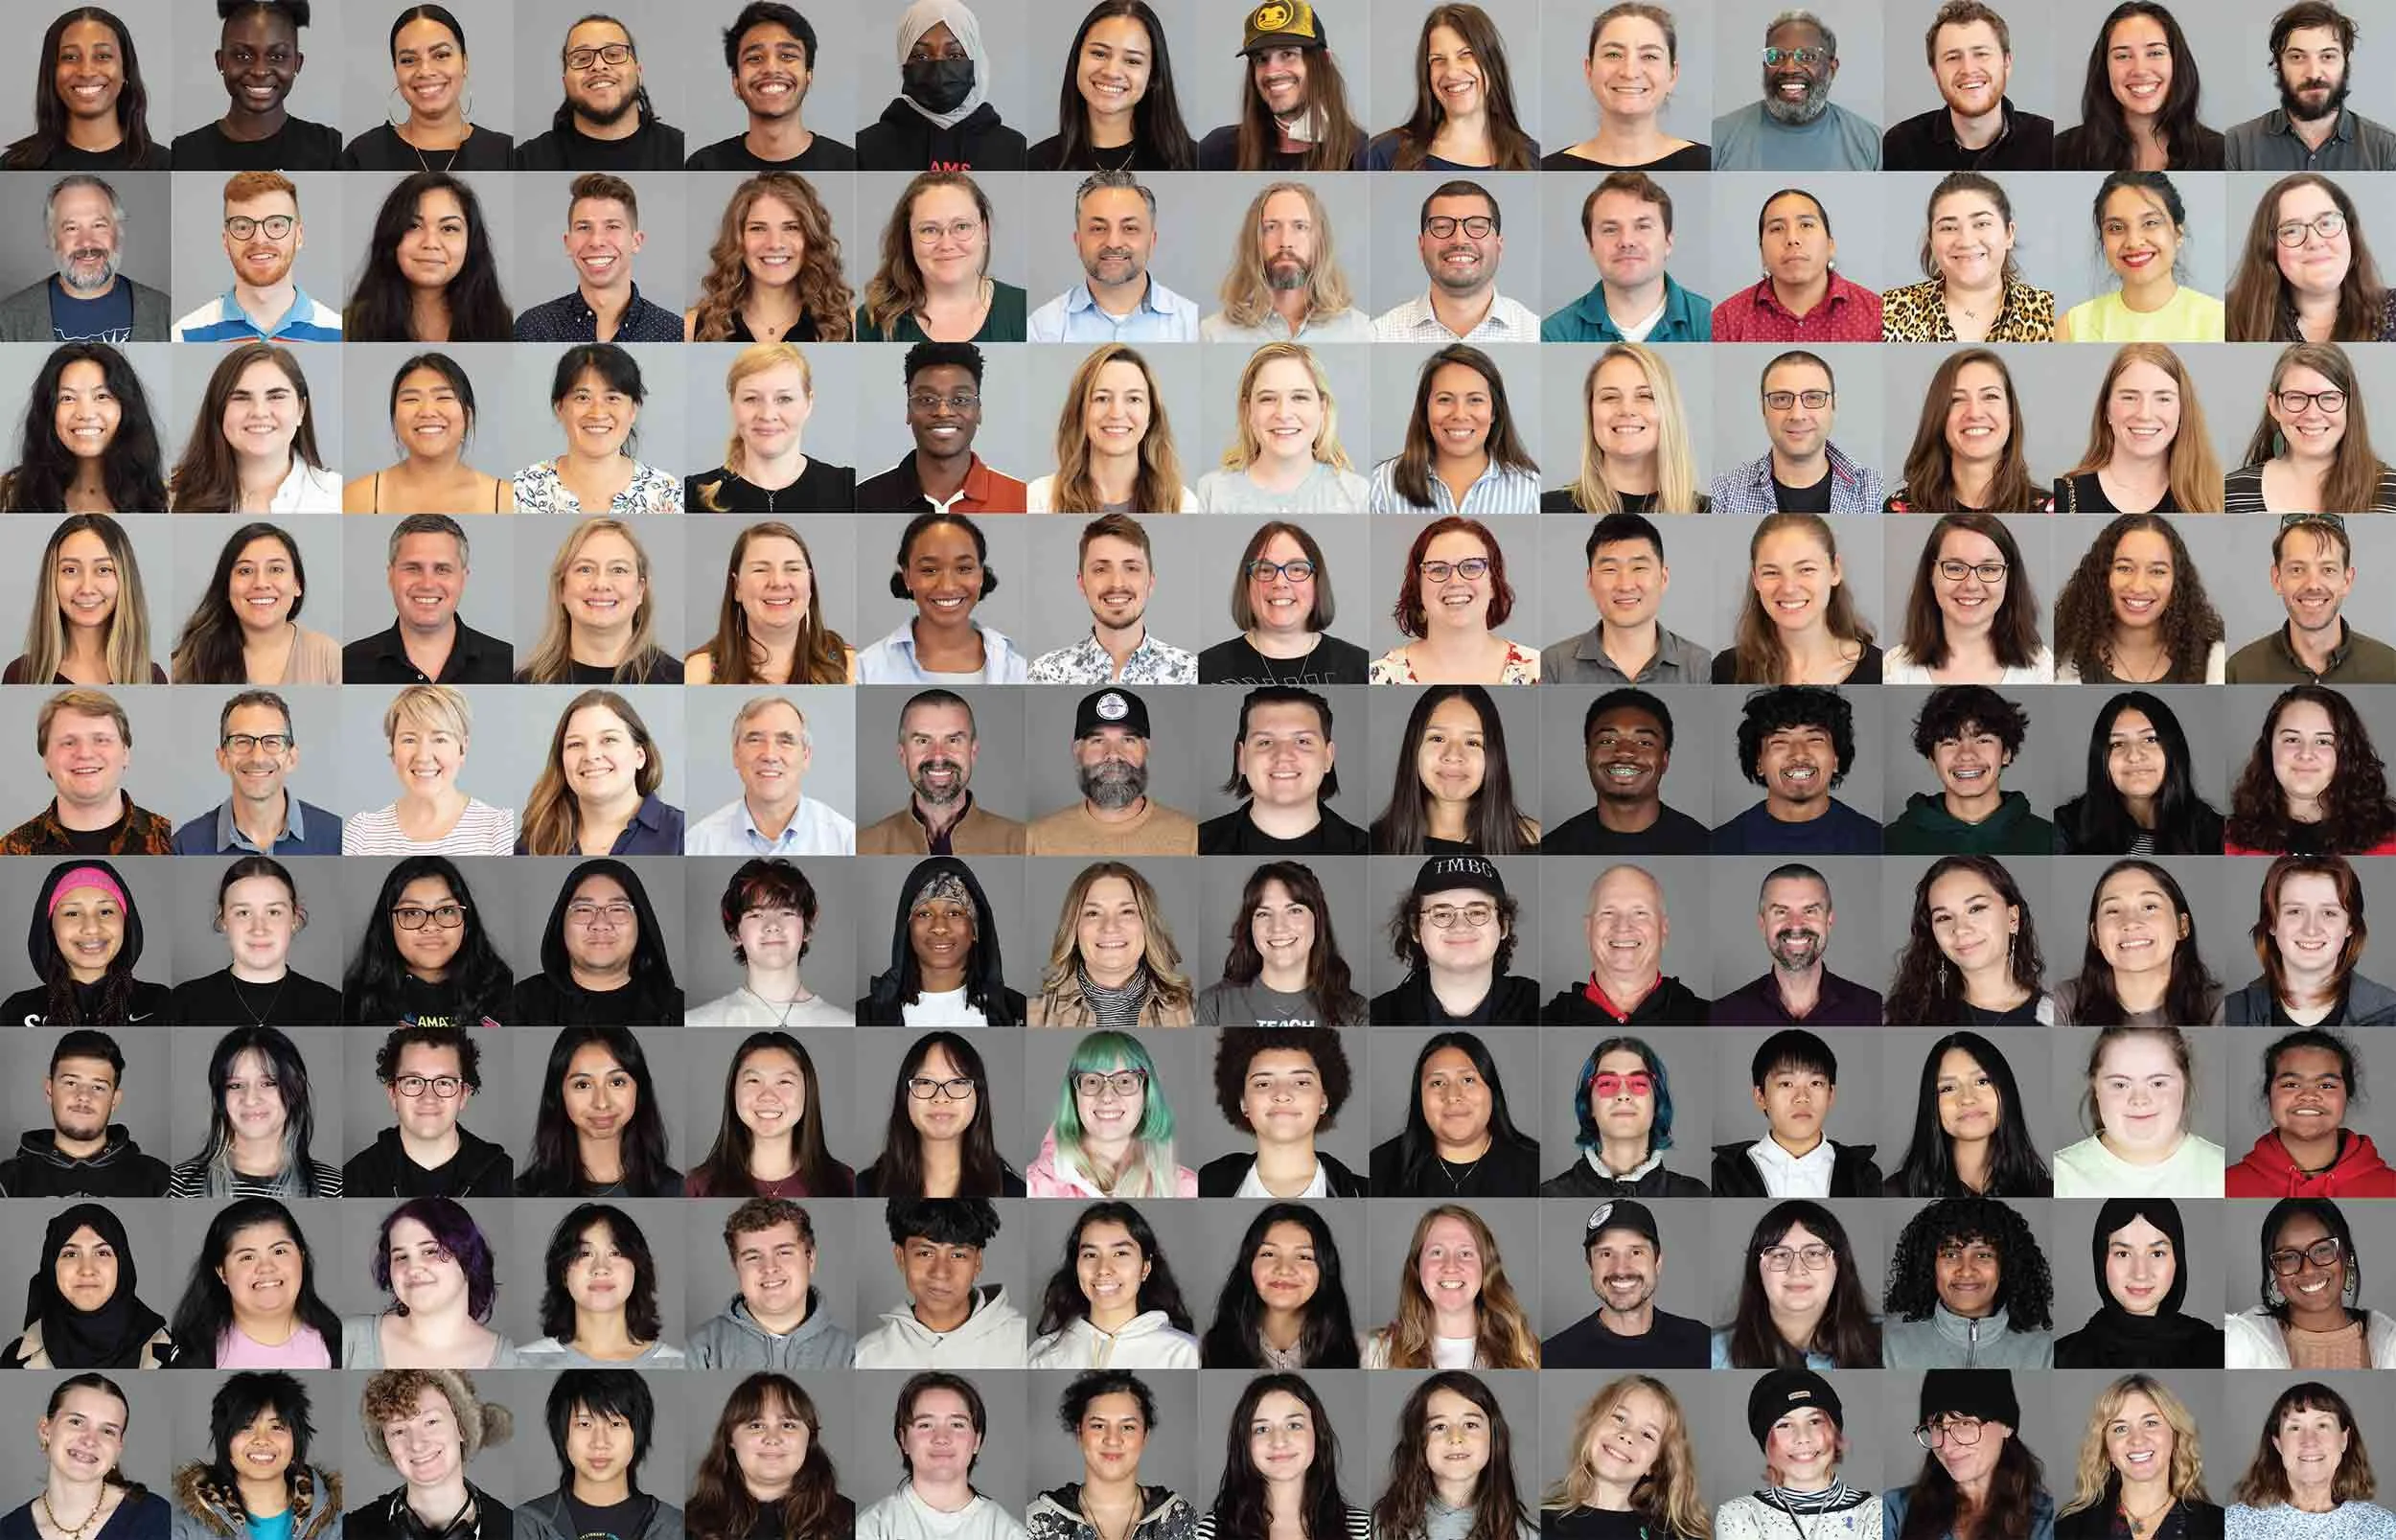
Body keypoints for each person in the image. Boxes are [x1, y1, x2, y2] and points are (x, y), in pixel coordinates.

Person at [160, 1197, 338, 1369]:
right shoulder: (187, 1355)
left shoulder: (339, 1343)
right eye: (247, 1257)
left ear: (301, 1257)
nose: (266, 1267)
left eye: (279, 1251)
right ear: (222, 1272)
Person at [339, 1199, 518, 1369]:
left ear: (468, 1257)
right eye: (401, 1257)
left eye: (430, 1251)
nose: (413, 1268)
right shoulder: (346, 1339)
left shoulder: (510, 1360)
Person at [340, 857, 514, 1030]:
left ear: (466, 921)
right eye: (412, 913)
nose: (430, 926)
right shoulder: (354, 1005)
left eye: (446, 910)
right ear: (387, 924)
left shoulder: (507, 994)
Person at [1367, 855, 1542, 1027]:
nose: (1460, 926)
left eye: (1477, 912)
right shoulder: (1377, 1016)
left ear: (1503, 925)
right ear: (1415, 928)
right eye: (1442, 914)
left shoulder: (1538, 1005)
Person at [341, 1024, 514, 1199]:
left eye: (444, 1082)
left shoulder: (504, 1174)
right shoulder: (353, 1178)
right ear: (393, 1093)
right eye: (414, 1081)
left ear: (463, 1095)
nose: (429, 1097)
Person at [165, 1026, 337, 1200]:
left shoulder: (334, 1189)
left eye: (268, 1083)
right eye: (235, 1085)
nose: (250, 1099)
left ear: (296, 1088)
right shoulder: (181, 1186)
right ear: (220, 1097)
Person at [339, 685, 514, 857]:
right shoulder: (362, 835)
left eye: (439, 739)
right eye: (409, 740)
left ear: (463, 747)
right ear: (392, 748)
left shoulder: (499, 831)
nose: (423, 756)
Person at [1358, 4, 1537, 171]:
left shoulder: (1532, 159)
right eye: (1438, 59)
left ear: (1492, 63)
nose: (1452, 72)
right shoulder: (1381, 155)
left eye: (1466, 54)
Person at [2053, 513, 2227, 683]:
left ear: (2177, 581)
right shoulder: (2059, 661)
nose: (2138, 587)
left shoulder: (2214, 662)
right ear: (2102, 575)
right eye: (2124, 568)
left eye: (2157, 571)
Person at [1359, 1206, 1538, 1370]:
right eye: (1437, 1252)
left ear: (1486, 1267)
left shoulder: (1527, 1355)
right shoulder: (1372, 1354)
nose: (1451, 1266)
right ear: (1417, 1266)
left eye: (1465, 1253)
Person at [1881, 1198, 2055, 1368]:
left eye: (1983, 1255)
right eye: (1950, 1254)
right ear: (1930, 1265)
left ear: (2005, 1266)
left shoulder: (2045, 1353)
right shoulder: (1888, 1345)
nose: (1965, 1271)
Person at [856, 513, 1029, 684]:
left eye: (963, 569)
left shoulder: (1016, 669)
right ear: (907, 577)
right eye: (929, 570)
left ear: (981, 575)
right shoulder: (866, 670)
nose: (947, 587)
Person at [340, 171, 512, 343]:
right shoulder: (347, 327)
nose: (430, 243)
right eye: (413, 226)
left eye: (448, 228)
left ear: (471, 241)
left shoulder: (506, 326)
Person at [1710, 513, 1883, 683]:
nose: (1789, 588)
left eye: (1806, 569)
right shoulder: (1723, 671)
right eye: (1771, 572)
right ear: (1755, 578)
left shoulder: (1880, 672)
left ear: (1835, 571)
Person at [1025, 688, 1199, 857]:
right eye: (1098, 741)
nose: (1114, 754)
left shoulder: (1193, 837)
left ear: (1146, 749)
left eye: (1128, 740)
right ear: (1077, 751)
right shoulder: (1036, 839)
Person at [2052, 1027, 2227, 1195]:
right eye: (2120, 1085)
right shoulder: (2060, 1177)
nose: (2139, 1100)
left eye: (2158, 1083)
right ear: (2095, 1087)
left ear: (2185, 1082)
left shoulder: (2221, 1171)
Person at [683, 173, 855, 346]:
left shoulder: (852, 327)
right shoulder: (691, 329)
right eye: (758, 228)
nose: (775, 244)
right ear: (737, 239)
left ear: (811, 237)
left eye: (791, 228)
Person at [857, 172, 1027, 343]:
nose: (946, 245)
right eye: (929, 229)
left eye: (962, 226)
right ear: (908, 238)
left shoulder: (1023, 311)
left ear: (984, 232)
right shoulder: (872, 322)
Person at [2053, 1197, 2224, 1368]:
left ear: (2177, 1259)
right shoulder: (2062, 1357)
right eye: (2122, 1254)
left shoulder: (2218, 1351)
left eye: (2157, 1253)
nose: (2140, 1274)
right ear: (2101, 1260)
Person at [169, 856, 340, 1026]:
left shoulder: (334, 1007)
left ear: (294, 919)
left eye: (273, 912)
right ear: (223, 919)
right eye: (243, 913)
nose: (259, 929)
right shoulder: (182, 1003)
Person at [168, 1371, 341, 1540]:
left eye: (276, 1427)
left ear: (296, 1439)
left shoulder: (336, 1526)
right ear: (225, 1440)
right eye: (246, 1427)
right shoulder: (185, 1527)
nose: (262, 1440)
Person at [857, 0, 1028, 171]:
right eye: (921, 56)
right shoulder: (867, 149)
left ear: (975, 61)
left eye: (954, 55)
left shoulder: (1013, 150)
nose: (939, 71)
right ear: (903, 62)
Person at [2226, 1197, 2396, 1368]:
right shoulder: (2237, 1344)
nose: (2307, 1269)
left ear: (2347, 1257)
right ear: (2274, 1271)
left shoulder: (2388, 1341)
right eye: (2289, 1257)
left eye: (2322, 1250)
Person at [857, 343, 1028, 513]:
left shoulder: (1021, 499)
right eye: (927, 400)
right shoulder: (862, 500)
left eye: (960, 400)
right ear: (908, 410)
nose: (943, 412)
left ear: (978, 411)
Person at [1709, 1030, 1884, 1196]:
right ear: (1760, 1096)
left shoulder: (1862, 1174)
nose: (1802, 1097)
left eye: (1815, 1083)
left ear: (1830, 1094)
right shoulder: (1723, 1174)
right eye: (1786, 1084)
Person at [2224, 343, 2396, 514]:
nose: (2312, 415)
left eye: (2329, 398)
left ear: (2350, 406)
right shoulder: (2230, 493)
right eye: (2296, 398)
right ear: (2274, 406)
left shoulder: (2391, 489)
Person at [855, 1200, 1027, 1369]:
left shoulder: (1022, 1344)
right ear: (901, 1257)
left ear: (977, 1261)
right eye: (925, 1253)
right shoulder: (867, 1356)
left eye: (958, 1255)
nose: (940, 1272)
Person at [2226, 684, 2396, 856]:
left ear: (2348, 752)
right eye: (2292, 739)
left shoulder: (2389, 843)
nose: (2306, 754)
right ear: (2269, 747)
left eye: (2323, 742)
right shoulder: (2228, 841)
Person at [1026, 172, 1198, 341]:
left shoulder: (1192, 325)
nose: (1113, 243)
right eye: (1098, 229)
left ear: (1152, 241)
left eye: (1130, 228)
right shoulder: (1041, 328)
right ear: (1078, 242)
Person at [1710, 690, 1884, 857]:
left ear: (1836, 760)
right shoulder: (1719, 845)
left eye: (1815, 740)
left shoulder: (1876, 842)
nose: (1799, 754)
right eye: (1780, 742)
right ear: (1759, 763)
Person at [1193, 862, 1368, 1027]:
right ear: (1250, 925)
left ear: (1318, 920)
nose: (1278, 927)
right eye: (1263, 914)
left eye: (1294, 911)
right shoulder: (1214, 1004)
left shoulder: (1356, 1011)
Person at [1709, 1368, 1879, 1539]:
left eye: (1814, 1421)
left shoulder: (1874, 1514)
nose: (1803, 1438)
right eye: (1784, 1425)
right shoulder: (1741, 1516)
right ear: (1765, 1442)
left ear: (1835, 1433)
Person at [1882, 3, 2056, 170]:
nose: (1968, 69)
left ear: (2007, 63)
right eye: (1953, 57)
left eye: (1981, 54)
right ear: (1935, 72)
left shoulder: (2048, 142)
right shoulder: (1899, 146)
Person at [512, 173, 682, 343]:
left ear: (636, 242)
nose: (596, 241)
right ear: (568, 243)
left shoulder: (673, 332)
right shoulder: (533, 328)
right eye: (584, 227)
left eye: (612, 227)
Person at [1195, 1375, 1371, 1540]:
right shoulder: (1211, 1532)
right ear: (1244, 1442)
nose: (1279, 1442)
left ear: (1318, 1433)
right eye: (1262, 1429)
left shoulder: (1363, 1529)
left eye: (1294, 1425)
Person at [1884, 1371, 2056, 1540]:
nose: (1946, 1446)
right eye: (1937, 1426)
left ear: (2006, 1426)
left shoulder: (2046, 1520)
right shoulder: (1893, 1511)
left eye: (1964, 1423)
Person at [1885, 687, 2057, 855]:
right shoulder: (1891, 841)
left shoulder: (2049, 840)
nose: (1966, 755)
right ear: (1933, 760)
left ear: (2006, 753)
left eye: (1983, 741)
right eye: (1950, 743)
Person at [1025, 1370, 1197, 1538]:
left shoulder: (1183, 1521)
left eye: (1127, 1427)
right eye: (1098, 1426)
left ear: (1145, 1435)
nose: (1113, 1440)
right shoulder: (1034, 1523)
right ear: (1080, 1433)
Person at [1367, 1032, 1540, 1198]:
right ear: (1420, 1097)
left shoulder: (1535, 1167)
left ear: (1492, 1091)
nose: (1452, 1096)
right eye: (1437, 1083)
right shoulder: (1379, 1166)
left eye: (1468, 1080)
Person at [1710, 350, 1886, 513]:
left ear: (1834, 404)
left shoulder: (1876, 492)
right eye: (1781, 399)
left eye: (1813, 397)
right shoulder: (1724, 494)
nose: (1797, 415)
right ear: (1763, 407)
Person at [1371, 684, 1538, 855]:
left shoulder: (1533, 843)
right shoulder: (1372, 845)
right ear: (1414, 748)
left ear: (1493, 755)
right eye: (1437, 738)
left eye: (1472, 742)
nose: (1453, 755)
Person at [1025, 1031, 1195, 1199]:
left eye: (1125, 1081)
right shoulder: (1032, 1187)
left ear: (1147, 1093)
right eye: (1092, 1081)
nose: (1107, 1097)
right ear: (1074, 1094)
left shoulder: (1188, 1188)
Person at [516, 1025, 681, 1198]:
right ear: (559, 1094)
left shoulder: (676, 1189)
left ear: (639, 1089)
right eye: (582, 1085)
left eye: (617, 1082)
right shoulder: (523, 1192)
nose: (601, 1103)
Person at [1026, 1204, 1200, 1369]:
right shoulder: (1044, 1356)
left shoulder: (1184, 1354)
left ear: (1145, 1268)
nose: (1103, 1269)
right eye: (1090, 1255)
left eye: (1120, 1253)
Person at [2055, 344, 2223, 513]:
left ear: (2182, 411)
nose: (2145, 414)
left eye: (2163, 399)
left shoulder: (2213, 498)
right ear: (2107, 410)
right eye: (2129, 398)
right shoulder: (2063, 499)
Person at [347, 1369, 515, 1540]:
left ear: (462, 1428)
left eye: (431, 1422)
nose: (417, 1444)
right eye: (398, 1431)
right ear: (386, 1445)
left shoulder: (516, 1530)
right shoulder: (349, 1531)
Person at [1884, 858, 2053, 1027]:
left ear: (2012, 918)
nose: (1960, 929)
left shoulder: (2054, 1017)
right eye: (1943, 917)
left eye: (1976, 909)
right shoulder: (1909, 1018)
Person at [2227, 172, 2396, 342]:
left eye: (2326, 223)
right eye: (2292, 230)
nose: (2314, 242)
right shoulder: (2227, 319)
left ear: (2350, 233)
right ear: (2269, 247)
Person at [511, 347, 680, 517]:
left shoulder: (666, 493)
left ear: (633, 410)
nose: (597, 413)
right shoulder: (521, 490)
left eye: (612, 398)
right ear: (559, 407)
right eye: (583, 398)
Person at [1887, 515, 2054, 684]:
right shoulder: (1893, 670)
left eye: (1988, 569)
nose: (1971, 585)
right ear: (1931, 573)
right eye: (1955, 568)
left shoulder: (2042, 669)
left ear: (2009, 578)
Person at [1198, 1027, 1366, 1198]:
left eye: (1301, 1083)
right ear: (1244, 1103)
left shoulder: (1364, 1191)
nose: (1282, 1095)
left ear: (1323, 1101)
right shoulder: (1203, 1185)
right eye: (1263, 1084)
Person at [856, 861, 1027, 1027]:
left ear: (975, 929)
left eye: (954, 913)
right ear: (907, 930)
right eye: (924, 914)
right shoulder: (865, 1016)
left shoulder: (1019, 1011)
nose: (939, 928)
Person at [2225, 2, 2396, 169]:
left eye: (2327, 56)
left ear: (2345, 63)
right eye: (2297, 57)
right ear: (2278, 65)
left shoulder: (2386, 149)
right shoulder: (2237, 145)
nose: (2314, 74)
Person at [1025, 349, 1196, 515]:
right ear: (1080, 411)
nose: (1116, 413)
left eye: (1133, 399)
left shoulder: (1184, 505)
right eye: (1102, 398)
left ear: (1151, 414)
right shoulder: (1038, 499)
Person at [2057, 172, 2224, 341]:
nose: (2134, 242)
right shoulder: (2072, 327)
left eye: (2150, 223)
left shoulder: (2221, 321)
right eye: (2116, 228)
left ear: (2178, 234)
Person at [1196, 522, 1371, 684]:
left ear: (1317, 582)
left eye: (1296, 569)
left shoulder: (1361, 668)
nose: (1280, 582)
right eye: (1265, 570)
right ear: (1247, 583)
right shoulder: (1204, 671)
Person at [1025, 862, 1196, 1026]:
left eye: (1126, 911)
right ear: (1074, 928)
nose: (1110, 927)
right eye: (1093, 913)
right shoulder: (1030, 1015)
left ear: (1147, 925)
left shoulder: (1192, 1013)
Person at [1711, 1202, 1879, 1369]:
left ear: (1839, 1264)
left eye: (1813, 1253)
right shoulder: (1712, 1355)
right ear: (1757, 1268)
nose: (1797, 1270)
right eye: (1780, 1255)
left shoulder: (1886, 1343)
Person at [2054, 2, 2223, 170]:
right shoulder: (2061, 153)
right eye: (2123, 56)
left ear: (2176, 62)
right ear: (2105, 68)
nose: (2140, 70)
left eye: (2155, 53)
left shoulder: (2221, 155)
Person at [0, 343, 165, 515]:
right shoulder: (10, 494)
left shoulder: (165, 499)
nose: (86, 414)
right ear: (48, 410)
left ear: (127, 407)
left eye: (102, 396)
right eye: (68, 398)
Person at [1369, 517, 1539, 683]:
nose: (1455, 582)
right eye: (1438, 569)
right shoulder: (1379, 677)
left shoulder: (1538, 670)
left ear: (1493, 584)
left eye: (1471, 567)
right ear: (1418, 586)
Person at [169, 1, 337, 169]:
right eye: (243, 56)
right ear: (220, 61)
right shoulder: (183, 154)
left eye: (277, 57)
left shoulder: (331, 150)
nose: (260, 71)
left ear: (297, 64)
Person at [515, 690, 683, 858]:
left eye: (608, 740)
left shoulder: (681, 834)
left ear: (639, 756)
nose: (591, 755)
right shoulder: (533, 842)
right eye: (576, 744)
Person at [341, 5, 512, 171]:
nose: (425, 71)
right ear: (396, 70)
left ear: (464, 62)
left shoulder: (506, 154)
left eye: (441, 55)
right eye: (408, 60)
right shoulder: (362, 156)